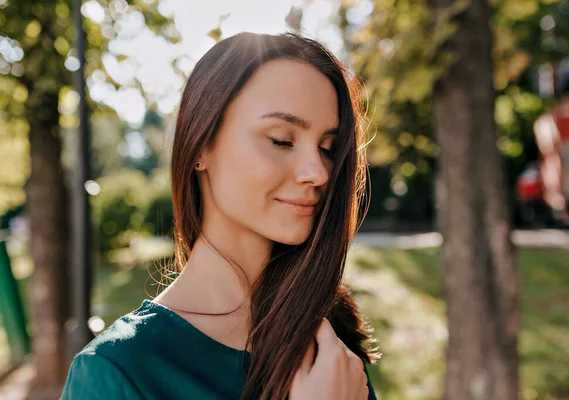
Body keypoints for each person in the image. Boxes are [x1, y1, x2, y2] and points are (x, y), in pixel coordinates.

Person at [61, 31, 380, 400]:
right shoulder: (116, 371)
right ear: (201, 145)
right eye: (281, 140)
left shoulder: (327, 334)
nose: (319, 172)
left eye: (328, 147)